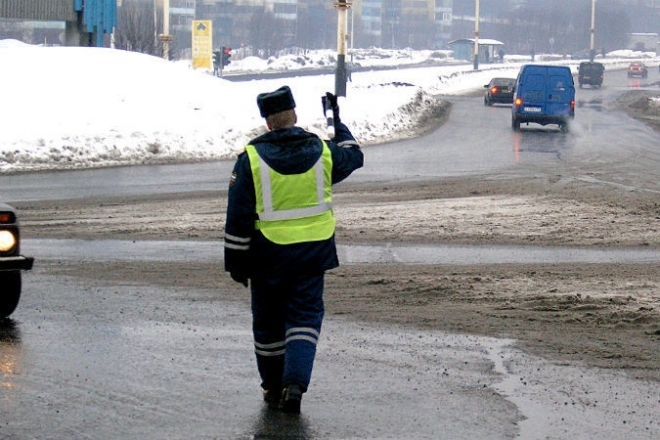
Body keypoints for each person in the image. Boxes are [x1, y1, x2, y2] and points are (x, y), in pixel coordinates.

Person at [223, 85, 363, 414]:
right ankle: (295, 384)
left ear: (268, 122)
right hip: (312, 253)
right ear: (295, 115)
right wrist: (336, 120)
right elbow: (354, 155)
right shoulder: (322, 152)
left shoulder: (251, 160)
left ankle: (272, 386)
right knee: (305, 316)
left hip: (267, 256)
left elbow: (238, 216)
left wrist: (236, 264)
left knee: (268, 322)